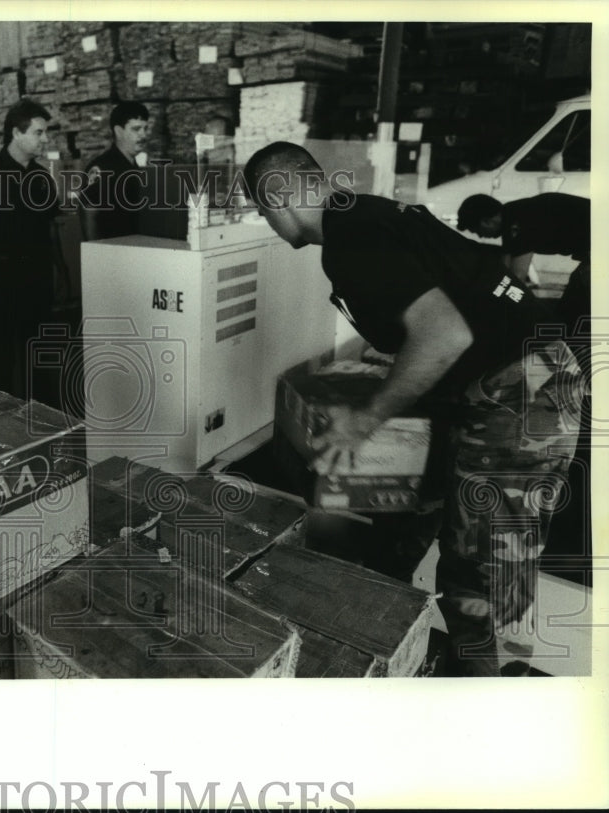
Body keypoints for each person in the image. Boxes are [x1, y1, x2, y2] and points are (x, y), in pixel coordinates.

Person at [245, 142, 583, 676]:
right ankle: (385, 642)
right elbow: (443, 314)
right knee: (408, 524)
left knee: (475, 575)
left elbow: (444, 334)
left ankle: (483, 705)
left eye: (263, 212)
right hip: (503, 382)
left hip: (518, 394)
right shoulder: (366, 216)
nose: (268, 225)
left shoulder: (350, 237)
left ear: (278, 195)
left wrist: (367, 418)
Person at [0, 98, 67, 404]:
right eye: (39, 132)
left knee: (41, 354)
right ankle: (0, 419)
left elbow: (51, 229)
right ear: (16, 134)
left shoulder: (42, 177)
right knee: (2, 357)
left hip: (39, 275)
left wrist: (60, 271)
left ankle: (43, 416)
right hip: (1, 276)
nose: (45, 139)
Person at [457, 192, 590, 339]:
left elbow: (517, 277)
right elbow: (506, 270)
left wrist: (494, 312)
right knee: (572, 305)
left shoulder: (518, 222)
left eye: (476, 231)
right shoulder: (511, 215)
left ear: (486, 222)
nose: (481, 236)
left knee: (577, 297)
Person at [79, 101, 150, 241]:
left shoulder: (136, 167)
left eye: (145, 129)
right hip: (112, 255)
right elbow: (89, 216)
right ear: (118, 131)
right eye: (136, 129)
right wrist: (97, 256)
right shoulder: (102, 168)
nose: (143, 135)